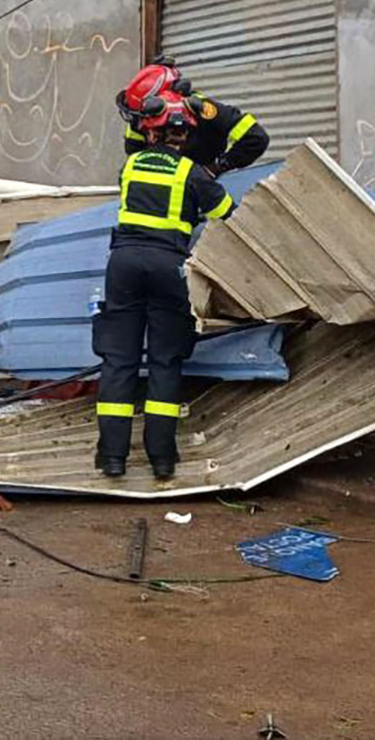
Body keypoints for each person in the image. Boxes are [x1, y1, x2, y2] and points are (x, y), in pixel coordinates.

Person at [97, 98, 236, 482]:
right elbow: (227, 211)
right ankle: (162, 461)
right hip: (168, 267)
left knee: (119, 360)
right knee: (164, 361)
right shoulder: (192, 173)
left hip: (123, 264)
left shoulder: (131, 166)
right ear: (186, 135)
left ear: (150, 130)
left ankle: (112, 458)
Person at [115, 58, 269, 177]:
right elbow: (133, 154)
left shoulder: (205, 111)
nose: (141, 123)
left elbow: (255, 138)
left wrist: (216, 167)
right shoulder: (140, 116)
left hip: (203, 188)